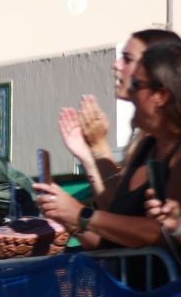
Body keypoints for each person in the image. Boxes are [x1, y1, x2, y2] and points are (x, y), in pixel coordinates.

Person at [36, 41, 181, 250]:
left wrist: (80, 214)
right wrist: (68, 219)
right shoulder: (148, 148)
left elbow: (156, 233)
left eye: (136, 86)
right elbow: (115, 242)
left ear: (161, 96)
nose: (130, 93)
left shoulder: (176, 153)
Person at [55, 29, 181, 194]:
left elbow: (123, 214)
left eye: (128, 59)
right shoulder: (147, 143)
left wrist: (80, 215)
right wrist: (88, 154)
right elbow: (117, 206)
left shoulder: (168, 145)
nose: (116, 65)